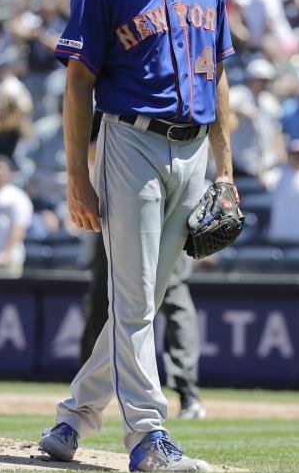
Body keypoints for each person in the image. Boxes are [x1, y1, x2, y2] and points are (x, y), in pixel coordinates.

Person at [40, 0, 235, 473]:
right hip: (131, 143)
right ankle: (148, 437)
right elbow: (78, 87)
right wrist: (78, 175)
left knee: (143, 302)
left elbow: (219, 74)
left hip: (196, 147)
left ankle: (74, 418)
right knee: (132, 300)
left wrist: (226, 168)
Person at [79, 113, 207, 421]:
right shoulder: (117, 92)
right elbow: (92, 142)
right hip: (122, 191)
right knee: (106, 298)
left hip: (179, 177)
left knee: (171, 297)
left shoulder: (188, 95)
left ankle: (186, 390)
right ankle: (87, 384)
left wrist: (226, 172)